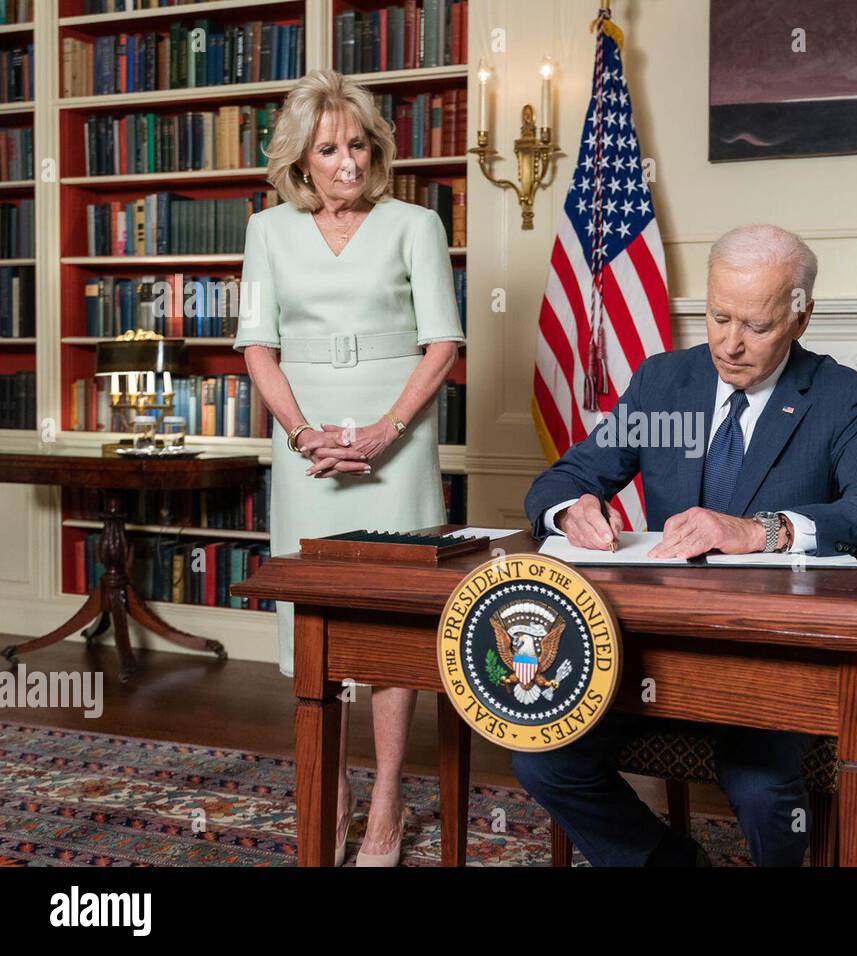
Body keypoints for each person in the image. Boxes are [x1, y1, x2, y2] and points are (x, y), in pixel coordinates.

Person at [517, 223, 857, 866]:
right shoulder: (664, 384)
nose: (730, 345)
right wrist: (574, 509)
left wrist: (763, 530)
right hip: (654, 650)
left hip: (772, 661)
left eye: (756, 327)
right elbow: (563, 480)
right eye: (718, 317)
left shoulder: (838, 396)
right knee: (540, 755)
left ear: (800, 318)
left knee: (762, 786)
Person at [233, 68, 465, 866]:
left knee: (389, 625)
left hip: (394, 443)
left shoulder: (415, 224)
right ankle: (327, 801)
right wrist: (301, 434)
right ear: (299, 162)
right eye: (328, 149)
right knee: (319, 627)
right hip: (306, 450)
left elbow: (443, 344)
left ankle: (389, 803)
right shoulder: (268, 232)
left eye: (358, 145)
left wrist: (384, 431)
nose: (347, 163)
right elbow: (257, 347)